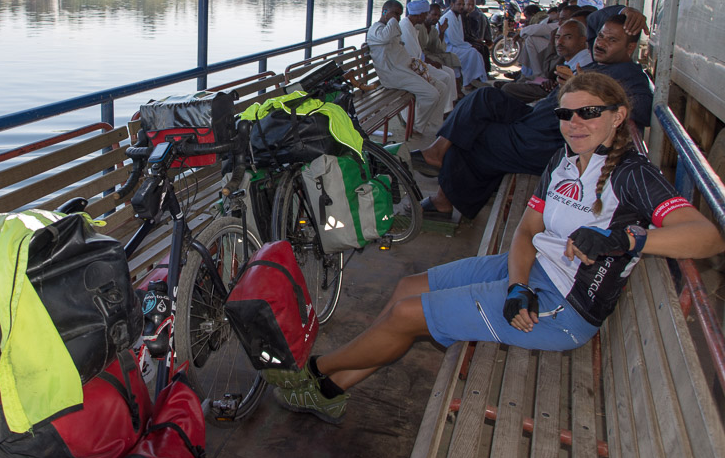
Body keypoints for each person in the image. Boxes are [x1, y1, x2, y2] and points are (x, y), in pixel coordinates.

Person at [266, 72, 723, 425]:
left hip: (564, 308)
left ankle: (313, 373)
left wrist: (624, 240)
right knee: (409, 287)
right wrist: (517, 285)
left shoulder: (630, 173)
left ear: (618, 116)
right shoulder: (563, 162)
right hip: (532, 275)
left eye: (590, 113)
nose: (575, 124)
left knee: (409, 315)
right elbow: (526, 233)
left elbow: (707, 236)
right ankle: (330, 392)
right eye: (566, 115)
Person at [411, 14, 653, 220]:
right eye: (601, 36)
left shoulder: (631, 78)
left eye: (612, 40)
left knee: (472, 137)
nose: (601, 43)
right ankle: (437, 151)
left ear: (630, 48)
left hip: (546, 140)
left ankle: (443, 200)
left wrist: (584, 91)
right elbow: (595, 19)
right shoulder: (603, 62)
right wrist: (626, 11)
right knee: (485, 96)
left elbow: (642, 109)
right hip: (535, 118)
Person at [366, 0, 454, 135]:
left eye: (399, 15)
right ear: (384, 12)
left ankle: (435, 126)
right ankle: (417, 127)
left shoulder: (391, 27)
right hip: (393, 76)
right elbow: (384, 38)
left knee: (441, 88)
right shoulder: (376, 29)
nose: (397, 17)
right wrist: (393, 20)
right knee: (432, 94)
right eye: (395, 13)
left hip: (406, 69)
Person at [502, 20, 592, 103]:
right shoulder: (569, 60)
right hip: (550, 93)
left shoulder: (585, 65)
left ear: (582, 40)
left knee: (505, 90)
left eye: (568, 37)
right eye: (557, 37)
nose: (559, 42)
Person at [402, 0, 457, 114]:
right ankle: (440, 111)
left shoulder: (414, 26)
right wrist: (429, 63)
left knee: (448, 74)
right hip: (412, 67)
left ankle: (446, 109)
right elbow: (413, 55)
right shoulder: (408, 26)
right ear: (421, 15)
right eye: (428, 14)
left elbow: (435, 49)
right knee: (443, 80)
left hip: (419, 62)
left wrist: (441, 32)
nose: (427, 17)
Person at [440, 0, 489, 89]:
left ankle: (469, 79)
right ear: (452, 4)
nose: (461, 7)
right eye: (459, 4)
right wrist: (468, 46)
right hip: (448, 47)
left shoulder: (458, 16)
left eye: (463, 4)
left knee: (475, 52)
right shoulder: (448, 17)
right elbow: (454, 40)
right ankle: (467, 81)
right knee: (472, 53)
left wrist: (469, 45)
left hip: (456, 45)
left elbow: (460, 37)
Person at [463, 0, 493, 75]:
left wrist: (477, 40)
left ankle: (484, 73)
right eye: (468, 4)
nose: (470, 7)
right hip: (462, 42)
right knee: (478, 49)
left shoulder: (474, 15)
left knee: (484, 48)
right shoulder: (461, 16)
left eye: (472, 5)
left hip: (470, 39)